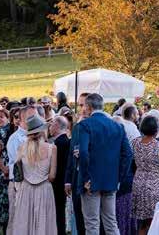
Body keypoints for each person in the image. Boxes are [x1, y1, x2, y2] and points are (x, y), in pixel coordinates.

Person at [77, 93, 132, 235]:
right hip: (111, 179)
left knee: (92, 224)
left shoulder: (85, 125)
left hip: (91, 180)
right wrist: (119, 177)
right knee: (111, 222)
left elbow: (83, 152)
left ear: (88, 107)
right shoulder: (117, 126)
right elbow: (127, 154)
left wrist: (86, 177)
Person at [12, 114, 58, 235]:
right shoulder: (52, 148)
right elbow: (52, 176)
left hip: (25, 190)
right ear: (42, 130)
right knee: (43, 222)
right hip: (44, 189)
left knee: (25, 222)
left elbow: (19, 173)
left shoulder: (21, 148)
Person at [132, 115, 159, 235]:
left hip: (138, 182)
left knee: (142, 223)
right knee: (153, 221)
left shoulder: (135, 142)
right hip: (154, 184)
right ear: (156, 129)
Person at [6, 105, 36, 234]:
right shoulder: (15, 138)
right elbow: (20, 164)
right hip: (18, 184)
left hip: (32, 183)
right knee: (16, 219)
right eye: (32, 116)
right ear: (22, 119)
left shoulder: (35, 136)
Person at [64, 92, 89, 235]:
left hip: (92, 180)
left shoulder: (96, 126)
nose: (82, 109)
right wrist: (68, 180)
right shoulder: (77, 126)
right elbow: (71, 154)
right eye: (80, 105)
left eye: (84, 105)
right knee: (79, 219)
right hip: (76, 177)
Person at [49, 116, 70, 235]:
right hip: (63, 182)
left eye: (51, 124)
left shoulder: (59, 143)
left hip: (57, 183)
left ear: (57, 126)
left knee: (57, 212)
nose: (50, 127)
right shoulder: (66, 141)